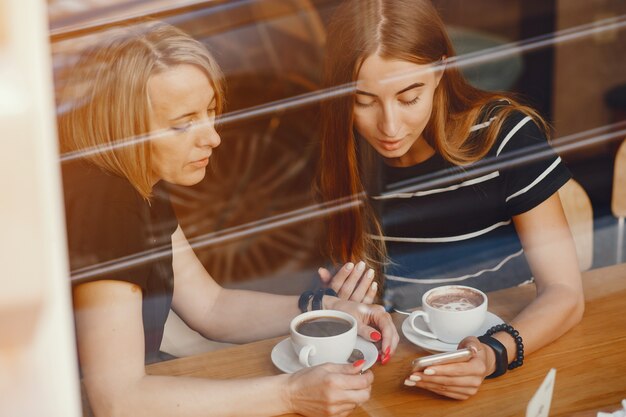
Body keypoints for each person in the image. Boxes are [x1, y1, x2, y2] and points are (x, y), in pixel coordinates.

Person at [59, 21, 399, 417]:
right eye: (183, 124)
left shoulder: (137, 181)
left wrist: (325, 308)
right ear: (124, 127)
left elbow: (211, 306)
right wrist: (289, 393)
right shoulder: (105, 204)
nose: (212, 137)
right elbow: (118, 401)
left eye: (210, 111)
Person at [316, 0, 584, 400]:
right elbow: (365, 306)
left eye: (409, 97)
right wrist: (347, 305)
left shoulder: (503, 136)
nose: (389, 126)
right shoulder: (343, 156)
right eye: (364, 101)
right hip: (398, 373)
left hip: (514, 361)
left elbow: (565, 292)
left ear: (440, 71)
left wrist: (494, 352)